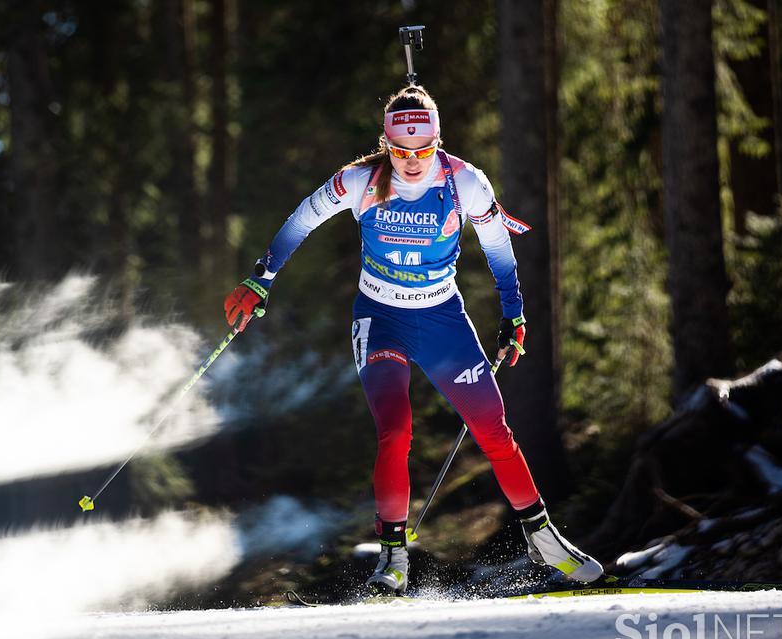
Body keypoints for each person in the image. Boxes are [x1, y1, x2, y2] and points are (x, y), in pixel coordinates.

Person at [224, 85, 603, 595]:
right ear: (386, 144)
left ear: (438, 142)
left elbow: (497, 248)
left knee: (493, 429)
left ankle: (543, 538)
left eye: (422, 151)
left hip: (442, 318)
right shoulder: (359, 181)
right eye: (400, 152)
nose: (411, 163)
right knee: (395, 430)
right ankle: (393, 559)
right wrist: (261, 278)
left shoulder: (465, 182)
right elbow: (302, 219)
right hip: (380, 319)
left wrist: (513, 315)